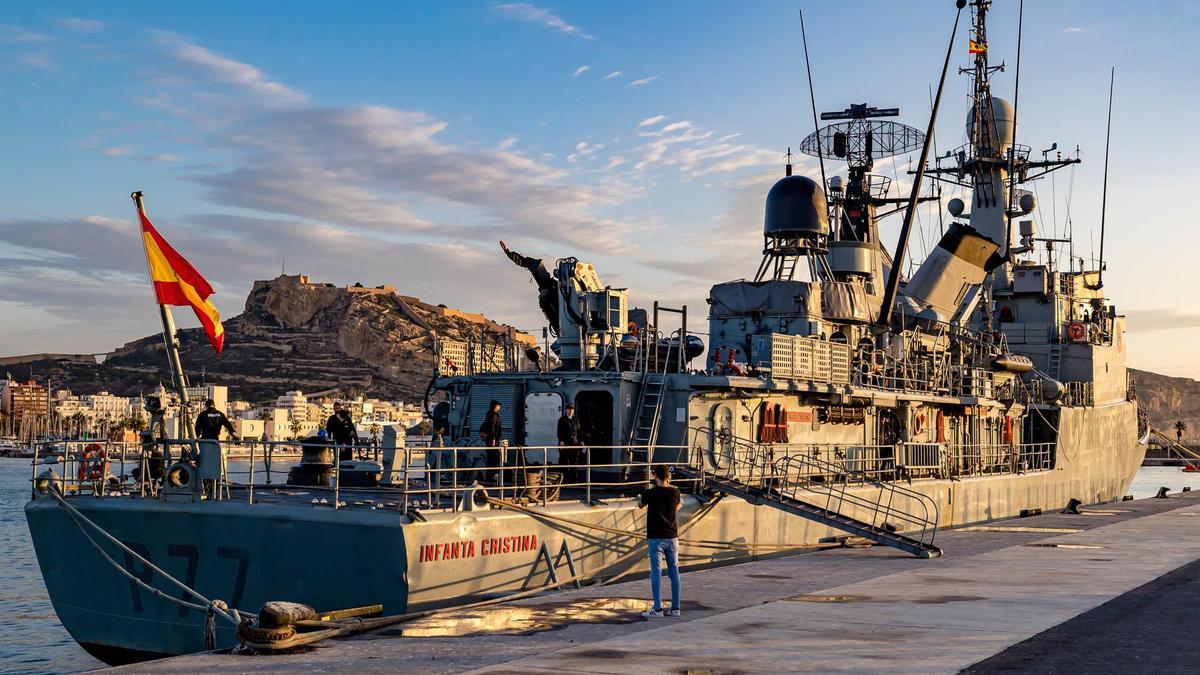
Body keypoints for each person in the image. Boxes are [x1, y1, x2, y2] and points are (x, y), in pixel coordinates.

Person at [638, 465, 681, 618]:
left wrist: (640, 498)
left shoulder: (650, 493)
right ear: (668, 476)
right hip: (672, 537)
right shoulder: (675, 492)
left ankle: (657, 608)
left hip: (655, 538)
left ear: (655, 476)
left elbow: (640, 505)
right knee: (674, 572)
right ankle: (675, 608)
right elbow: (678, 506)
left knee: (656, 573)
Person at [557, 403, 581, 481]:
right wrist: (561, 441)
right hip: (565, 444)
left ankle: (574, 480)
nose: (570, 411)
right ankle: (564, 480)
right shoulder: (562, 420)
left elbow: (579, 432)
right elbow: (559, 432)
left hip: (574, 445)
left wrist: (581, 441)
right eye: (569, 409)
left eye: (572, 409)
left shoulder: (576, 420)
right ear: (566, 410)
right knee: (565, 462)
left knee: (574, 463)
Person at [480, 400, 503, 479]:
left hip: (492, 438)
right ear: (495, 406)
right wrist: (493, 438)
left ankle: (490, 476)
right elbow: (492, 427)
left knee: (491, 457)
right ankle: (491, 476)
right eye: (498, 405)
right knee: (492, 457)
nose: (499, 407)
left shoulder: (490, 414)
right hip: (492, 439)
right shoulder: (493, 415)